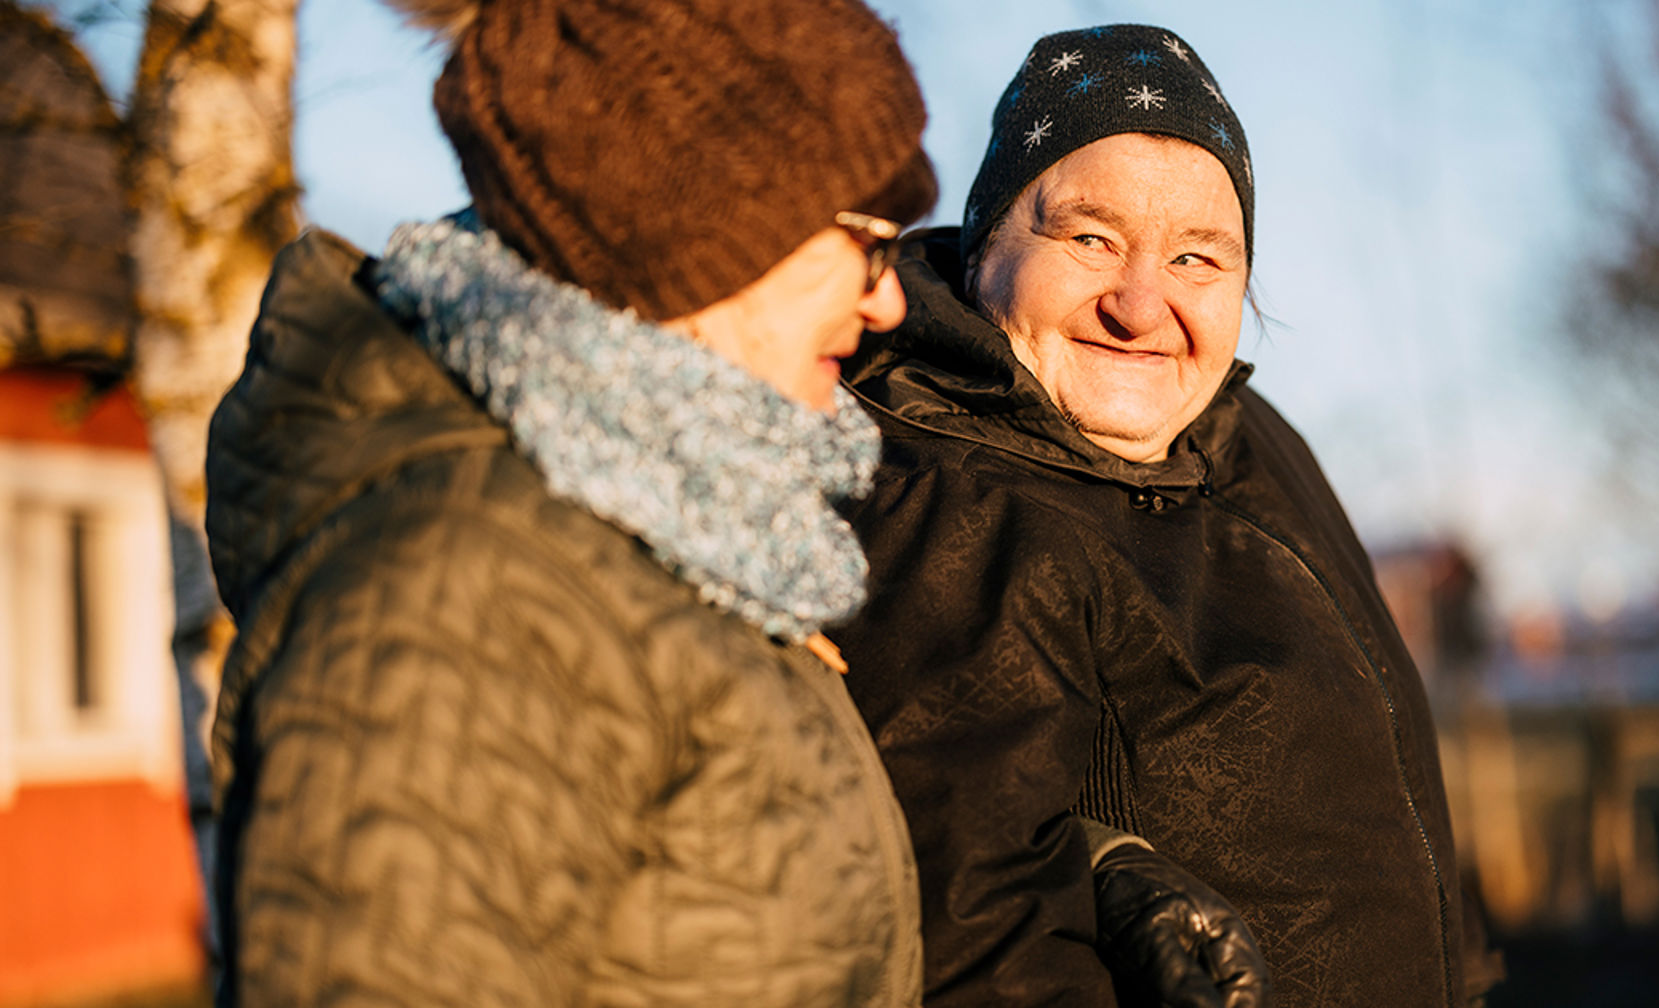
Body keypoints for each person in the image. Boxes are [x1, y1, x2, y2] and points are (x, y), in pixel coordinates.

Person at [201, 0, 936, 1003]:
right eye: (869, 238)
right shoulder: (476, 588)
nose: (888, 299)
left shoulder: (700, 527)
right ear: (693, 221)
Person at [832, 23, 1475, 1008]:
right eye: (1090, 238)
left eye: (1198, 260)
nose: (1142, 305)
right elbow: (980, 941)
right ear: (984, 247)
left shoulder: (1250, 437)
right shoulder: (953, 505)